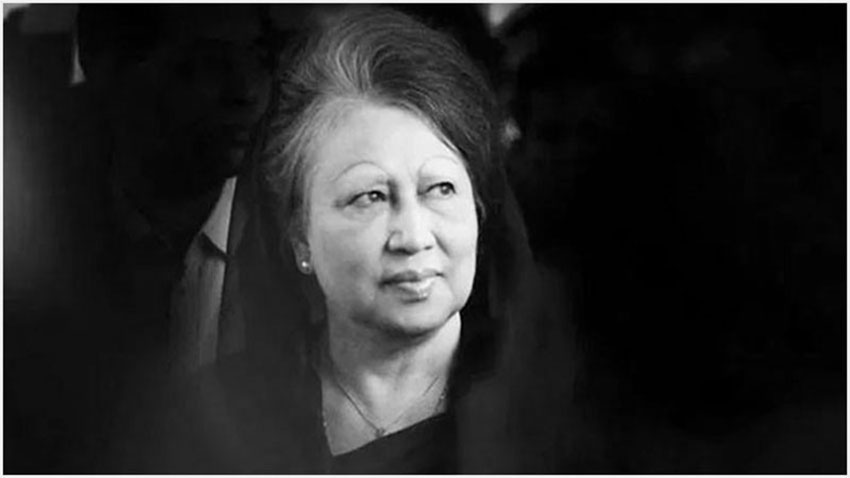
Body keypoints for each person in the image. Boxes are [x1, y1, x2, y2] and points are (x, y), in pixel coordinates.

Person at [124, 6, 592, 473]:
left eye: (440, 189)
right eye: (370, 197)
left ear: (479, 209)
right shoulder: (213, 418)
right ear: (300, 236)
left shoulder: (555, 415)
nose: (412, 237)